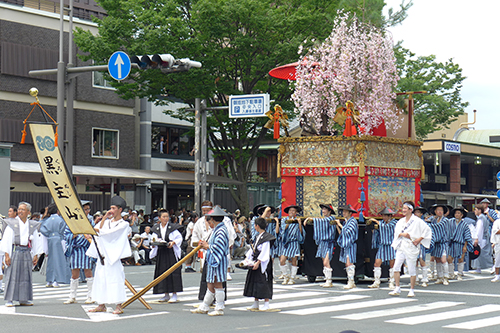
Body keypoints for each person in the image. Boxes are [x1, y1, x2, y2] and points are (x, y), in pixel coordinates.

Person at [86, 196, 132, 315]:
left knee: (116, 279)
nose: (111, 210)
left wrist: (98, 232)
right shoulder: (107, 222)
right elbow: (98, 229)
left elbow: (111, 234)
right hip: (103, 255)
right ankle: (101, 304)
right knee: (100, 279)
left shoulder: (124, 224)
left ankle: (118, 305)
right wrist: (105, 217)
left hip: (114, 256)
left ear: (120, 209)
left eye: (113, 208)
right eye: (110, 208)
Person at [0, 202, 43, 307]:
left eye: (23, 209)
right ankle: (10, 299)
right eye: (19, 209)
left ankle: (24, 299)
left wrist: (36, 255)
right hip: (15, 251)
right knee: (12, 275)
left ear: (28, 212)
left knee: (25, 276)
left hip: (27, 251)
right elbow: (7, 240)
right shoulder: (11, 224)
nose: (20, 211)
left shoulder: (32, 225)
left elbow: (36, 240)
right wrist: (7, 255)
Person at [191, 207, 229, 316]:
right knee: (210, 284)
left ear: (212, 219)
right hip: (213, 259)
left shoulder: (221, 230)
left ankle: (219, 307)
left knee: (217, 284)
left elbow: (219, 247)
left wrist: (207, 246)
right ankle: (205, 305)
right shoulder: (217, 229)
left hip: (218, 260)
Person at [389, 201, 432, 298]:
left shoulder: (417, 221)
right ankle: (397, 287)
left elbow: (427, 230)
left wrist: (419, 240)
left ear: (410, 210)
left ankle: (412, 289)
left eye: (405, 208)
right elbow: (396, 233)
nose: (403, 210)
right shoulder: (400, 221)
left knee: (412, 269)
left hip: (411, 246)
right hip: (401, 245)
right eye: (403, 208)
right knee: (396, 267)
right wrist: (402, 234)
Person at [151, 210, 183, 303]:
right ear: (159, 218)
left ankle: (174, 294)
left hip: (170, 252)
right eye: (163, 217)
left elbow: (179, 238)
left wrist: (173, 242)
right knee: (162, 272)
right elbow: (153, 239)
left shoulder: (172, 227)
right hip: (161, 252)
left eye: (167, 216)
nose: (165, 218)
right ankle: (165, 294)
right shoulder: (156, 228)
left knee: (173, 272)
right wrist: (154, 243)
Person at [244, 217, 276, 311]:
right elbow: (253, 249)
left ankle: (266, 303)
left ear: (257, 226)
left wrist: (258, 262)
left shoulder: (266, 237)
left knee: (264, 281)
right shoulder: (258, 236)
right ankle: (256, 302)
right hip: (256, 260)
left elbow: (265, 252)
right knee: (255, 281)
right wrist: (247, 258)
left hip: (263, 262)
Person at [40, 203, 71, 287]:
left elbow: (43, 232)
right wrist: (64, 246)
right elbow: (64, 233)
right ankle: (56, 280)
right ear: (58, 211)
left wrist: (45, 249)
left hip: (49, 239)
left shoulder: (46, 221)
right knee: (58, 261)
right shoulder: (61, 220)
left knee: (50, 261)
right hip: (58, 240)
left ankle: (49, 280)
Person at [305, 204, 336, 288]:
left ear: (330, 211)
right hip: (322, 243)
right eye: (323, 209)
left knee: (326, 262)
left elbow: (321, 222)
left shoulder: (331, 219)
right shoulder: (324, 219)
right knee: (324, 262)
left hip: (328, 242)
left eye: (325, 209)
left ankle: (329, 280)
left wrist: (311, 219)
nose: (323, 211)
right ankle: (327, 279)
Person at [368, 207, 397, 289]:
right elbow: (379, 230)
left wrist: (376, 221)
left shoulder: (394, 223)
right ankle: (376, 281)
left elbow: (387, 227)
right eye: (383, 215)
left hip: (391, 245)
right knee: (376, 263)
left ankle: (392, 281)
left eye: (385, 216)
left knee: (392, 264)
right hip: (382, 246)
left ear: (390, 216)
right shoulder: (381, 223)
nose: (384, 217)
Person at [334, 204, 359, 289]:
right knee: (347, 263)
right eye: (343, 211)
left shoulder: (353, 221)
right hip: (346, 244)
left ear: (350, 213)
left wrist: (340, 225)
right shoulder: (346, 222)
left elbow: (348, 232)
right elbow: (342, 234)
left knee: (349, 263)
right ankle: (350, 281)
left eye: (345, 211)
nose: (344, 213)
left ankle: (351, 281)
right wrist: (338, 226)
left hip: (351, 244)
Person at [278, 205, 304, 285]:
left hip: (294, 242)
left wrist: (299, 224)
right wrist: (288, 223)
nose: (291, 212)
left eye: (293, 211)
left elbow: (301, 233)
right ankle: (286, 276)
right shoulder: (284, 220)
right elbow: (282, 230)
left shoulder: (297, 220)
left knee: (294, 261)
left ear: (296, 212)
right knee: (282, 260)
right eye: (290, 211)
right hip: (286, 242)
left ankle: (292, 278)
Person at [447, 207, 473, 281]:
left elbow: (467, 236)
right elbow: (447, 231)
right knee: (449, 258)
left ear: (462, 215)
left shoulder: (464, 224)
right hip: (451, 243)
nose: (457, 214)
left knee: (461, 259)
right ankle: (451, 273)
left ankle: (460, 273)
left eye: (458, 213)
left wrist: (465, 246)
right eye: (456, 213)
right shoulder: (450, 222)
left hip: (460, 243)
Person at [428, 204, 450, 285]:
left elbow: (437, 227)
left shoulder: (445, 220)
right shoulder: (434, 220)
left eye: (441, 210)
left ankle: (446, 277)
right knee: (437, 259)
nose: (440, 211)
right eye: (438, 210)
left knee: (443, 260)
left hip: (443, 242)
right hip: (436, 243)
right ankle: (440, 276)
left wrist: (429, 225)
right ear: (435, 211)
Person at [471, 205, 493, 273]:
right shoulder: (482, 218)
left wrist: (476, 238)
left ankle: (492, 267)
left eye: (476, 210)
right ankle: (478, 268)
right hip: (483, 238)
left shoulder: (481, 218)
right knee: (480, 254)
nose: (475, 211)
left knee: (483, 254)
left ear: (479, 210)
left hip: (481, 238)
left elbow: (479, 230)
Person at [413, 206, 430, 287]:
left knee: (422, 261)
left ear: (421, 214)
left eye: (418, 213)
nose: (416, 214)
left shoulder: (424, 223)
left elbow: (427, 233)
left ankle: (424, 279)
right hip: (413, 244)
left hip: (421, 244)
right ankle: (415, 279)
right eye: (415, 212)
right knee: (414, 262)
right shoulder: (411, 223)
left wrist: (420, 240)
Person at [490, 216, 500, 282]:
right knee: (498, 259)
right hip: (498, 242)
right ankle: (497, 275)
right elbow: (495, 231)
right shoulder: (497, 222)